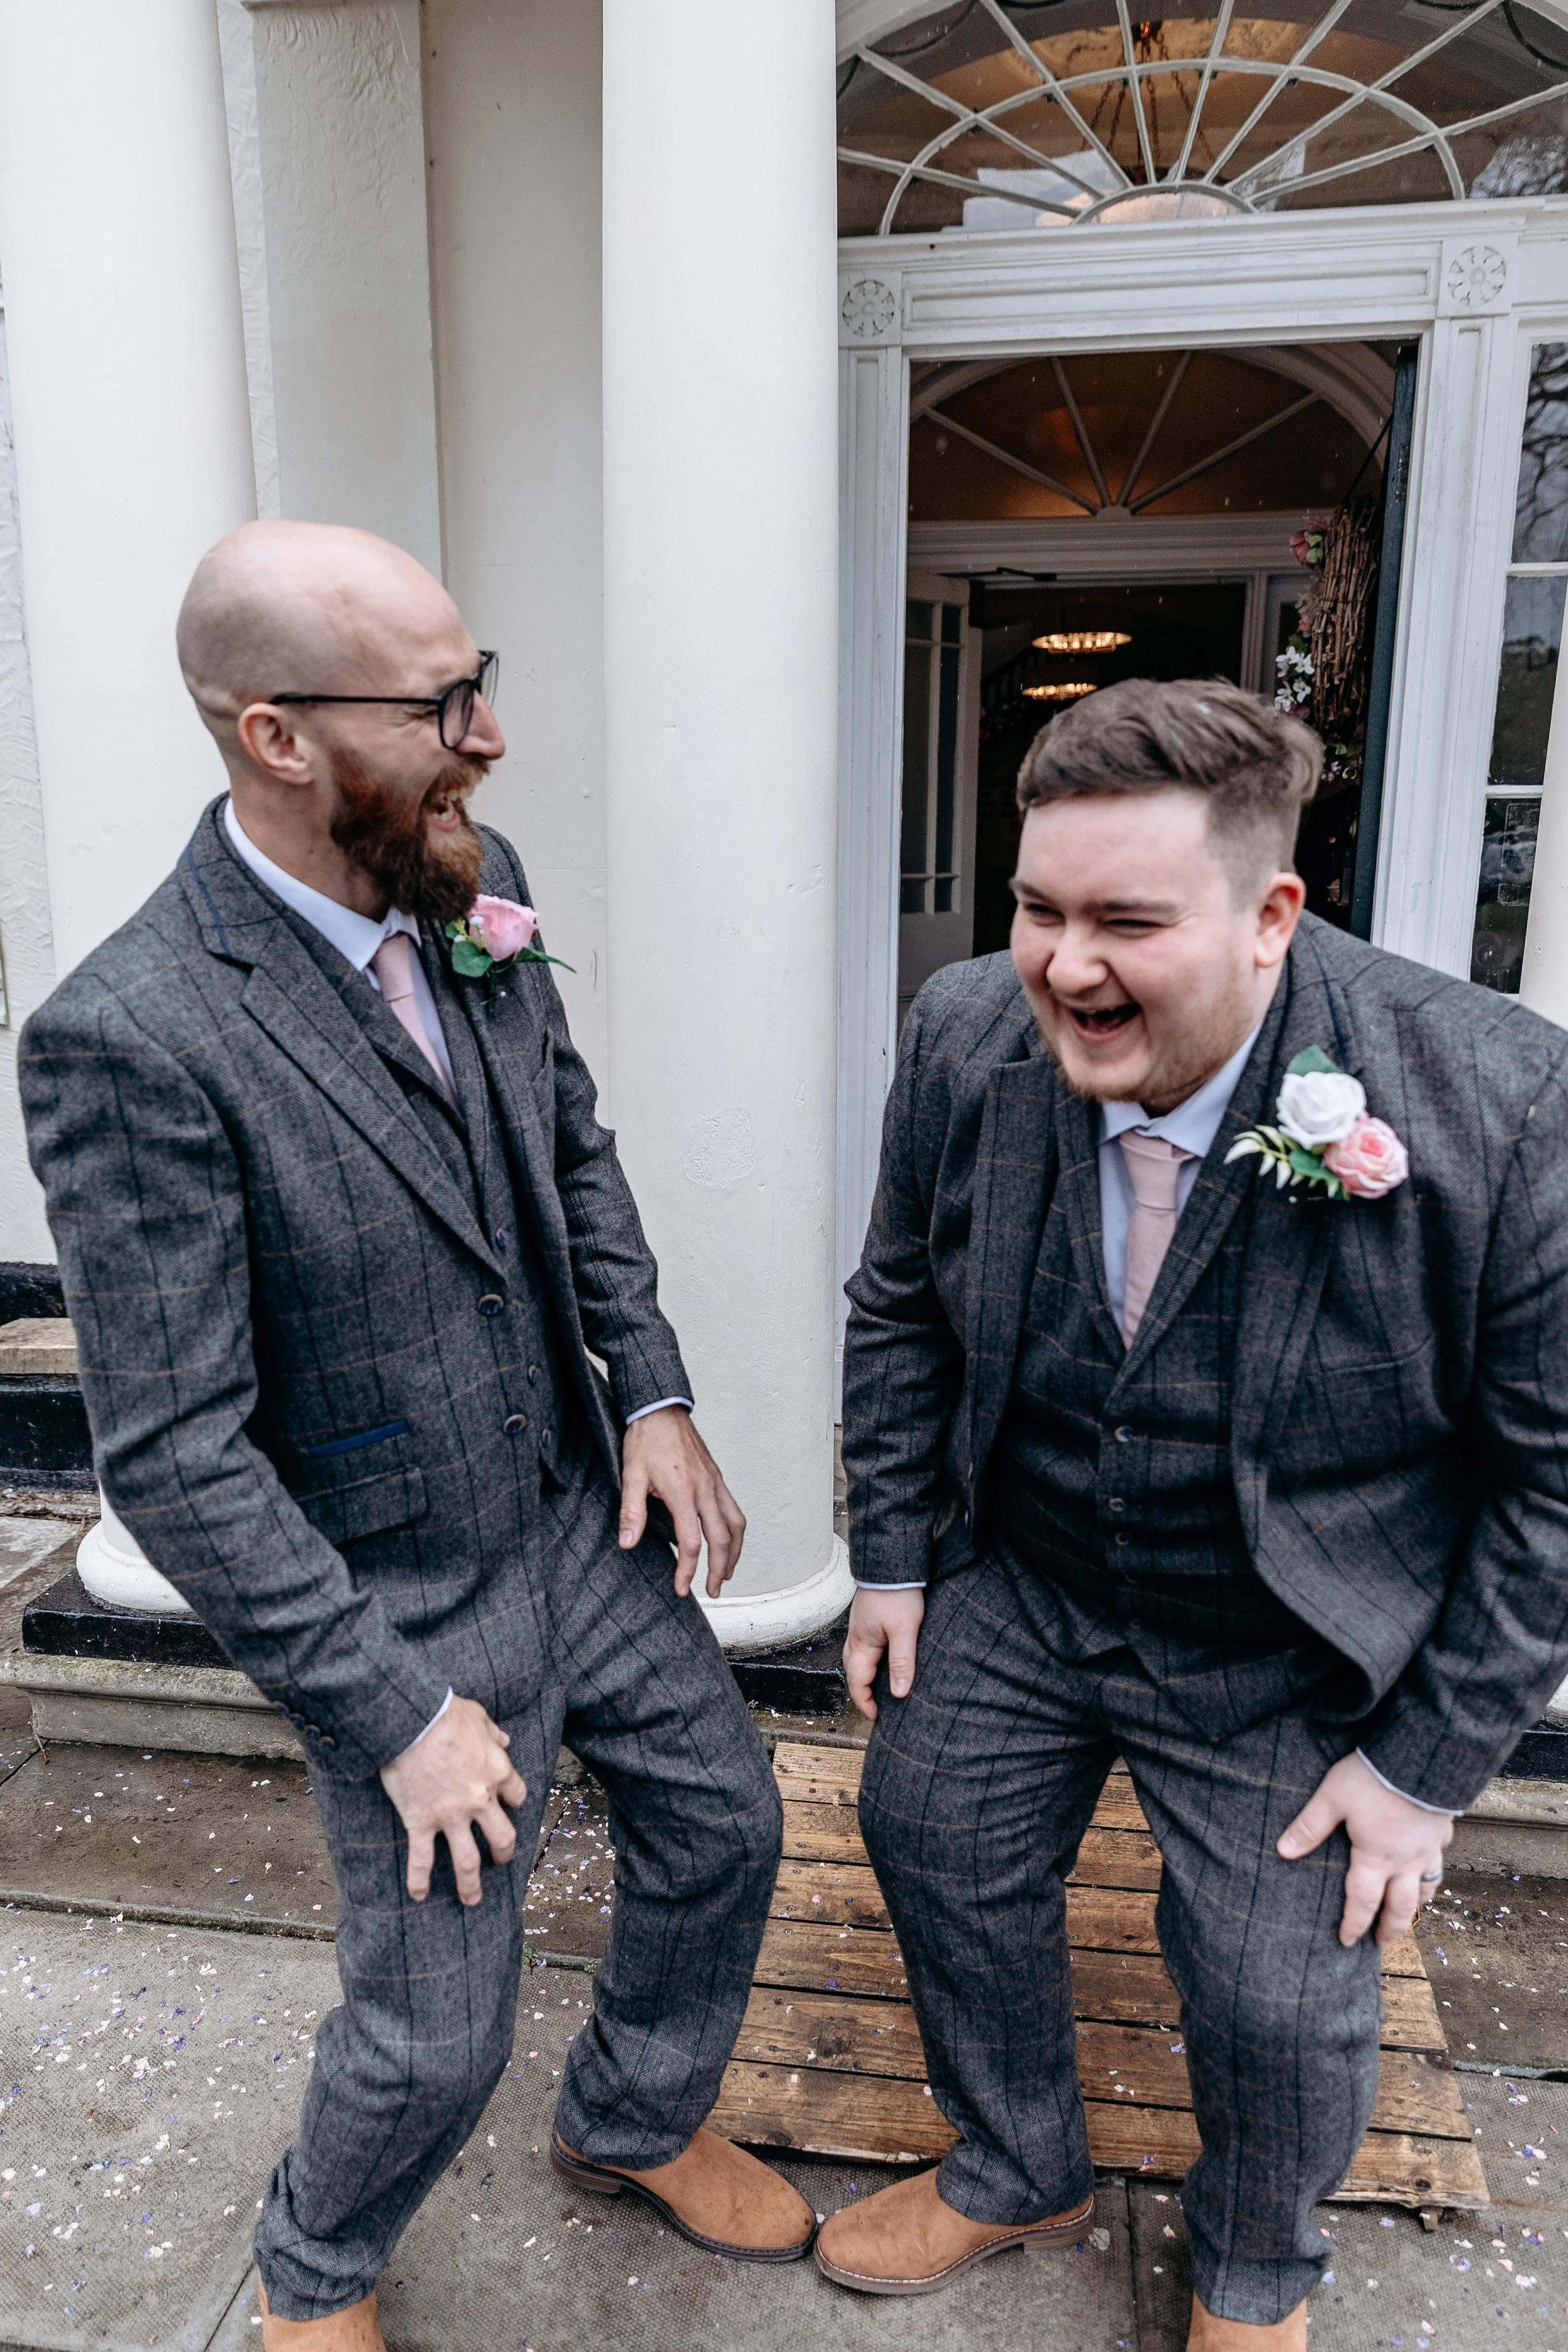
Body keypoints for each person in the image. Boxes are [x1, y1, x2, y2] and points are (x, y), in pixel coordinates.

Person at [20, 521, 814, 2351]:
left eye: (485, 683)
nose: (488, 735)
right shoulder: (129, 1037)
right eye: (443, 699)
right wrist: (387, 1712)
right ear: (276, 734)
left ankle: (625, 2117)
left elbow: (570, 1147)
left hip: (567, 1516)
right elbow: (177, 1451)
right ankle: (316, 2272)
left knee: (725, 1823)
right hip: (390, 1599)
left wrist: (658, 1390)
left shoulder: (473, 869)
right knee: (437, 2020)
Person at [815, 678, 1568, 2349]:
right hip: (1026, 1570)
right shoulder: (960, 1032)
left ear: (1269, 913)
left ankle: (1251, 2269)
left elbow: (1551, 1482)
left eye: (1125, 921)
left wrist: (1423, 1766)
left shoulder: (1495, 1104)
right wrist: (886, 1555)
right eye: (1036, 907)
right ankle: (1017, 2161)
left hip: (1288, 1635)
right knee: (926, 1830)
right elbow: (899, 1309)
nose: (1063, 966)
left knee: (1277, 1997)